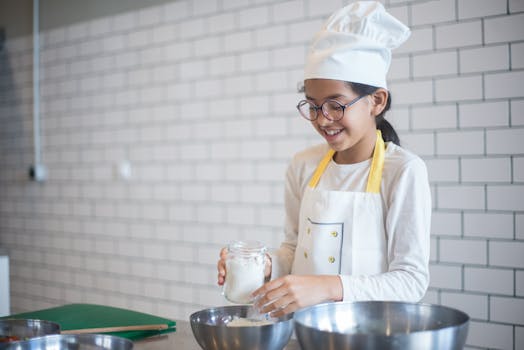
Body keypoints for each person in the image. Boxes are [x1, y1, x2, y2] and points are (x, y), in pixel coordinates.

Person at [217, 1, 431, 317]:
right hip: (304, 333)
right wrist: (264, 265)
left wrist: (328, 286)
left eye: (336, 105)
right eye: (313, 106)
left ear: (376, 101)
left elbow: (410, 281)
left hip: (369, 336)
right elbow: (294, 251)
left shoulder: (403, 171)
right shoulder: (303, 166)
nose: (323, 119)